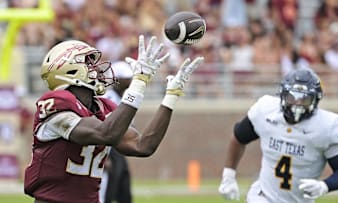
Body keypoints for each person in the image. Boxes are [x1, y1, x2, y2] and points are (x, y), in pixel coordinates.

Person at [24, 35, 204, 203]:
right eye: (88, 63)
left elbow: (143, 145)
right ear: (69, 68)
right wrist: (138, 83)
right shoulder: (56, 103)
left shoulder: (102, 107)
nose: (96, 68)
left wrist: (170, 97)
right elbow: (105, 134)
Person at [218, 68, 338, 203]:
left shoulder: (325, 127)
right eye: (292, 97)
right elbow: (239, 137)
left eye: (304, 99)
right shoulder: (266, 111)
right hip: (262, 197)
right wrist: (228, 176)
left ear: (315, 101)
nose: (297, 104)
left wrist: (324, 186)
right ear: (282, 95)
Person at [99, 61, 134, 203]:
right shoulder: (108, 98)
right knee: (108, 191)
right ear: (117, 80)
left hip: (120, 148)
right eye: (126, 78)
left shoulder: (123, 97)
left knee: (124, 192)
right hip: (110, 148)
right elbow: (102, 126)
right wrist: (104, 157)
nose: (130, 81)